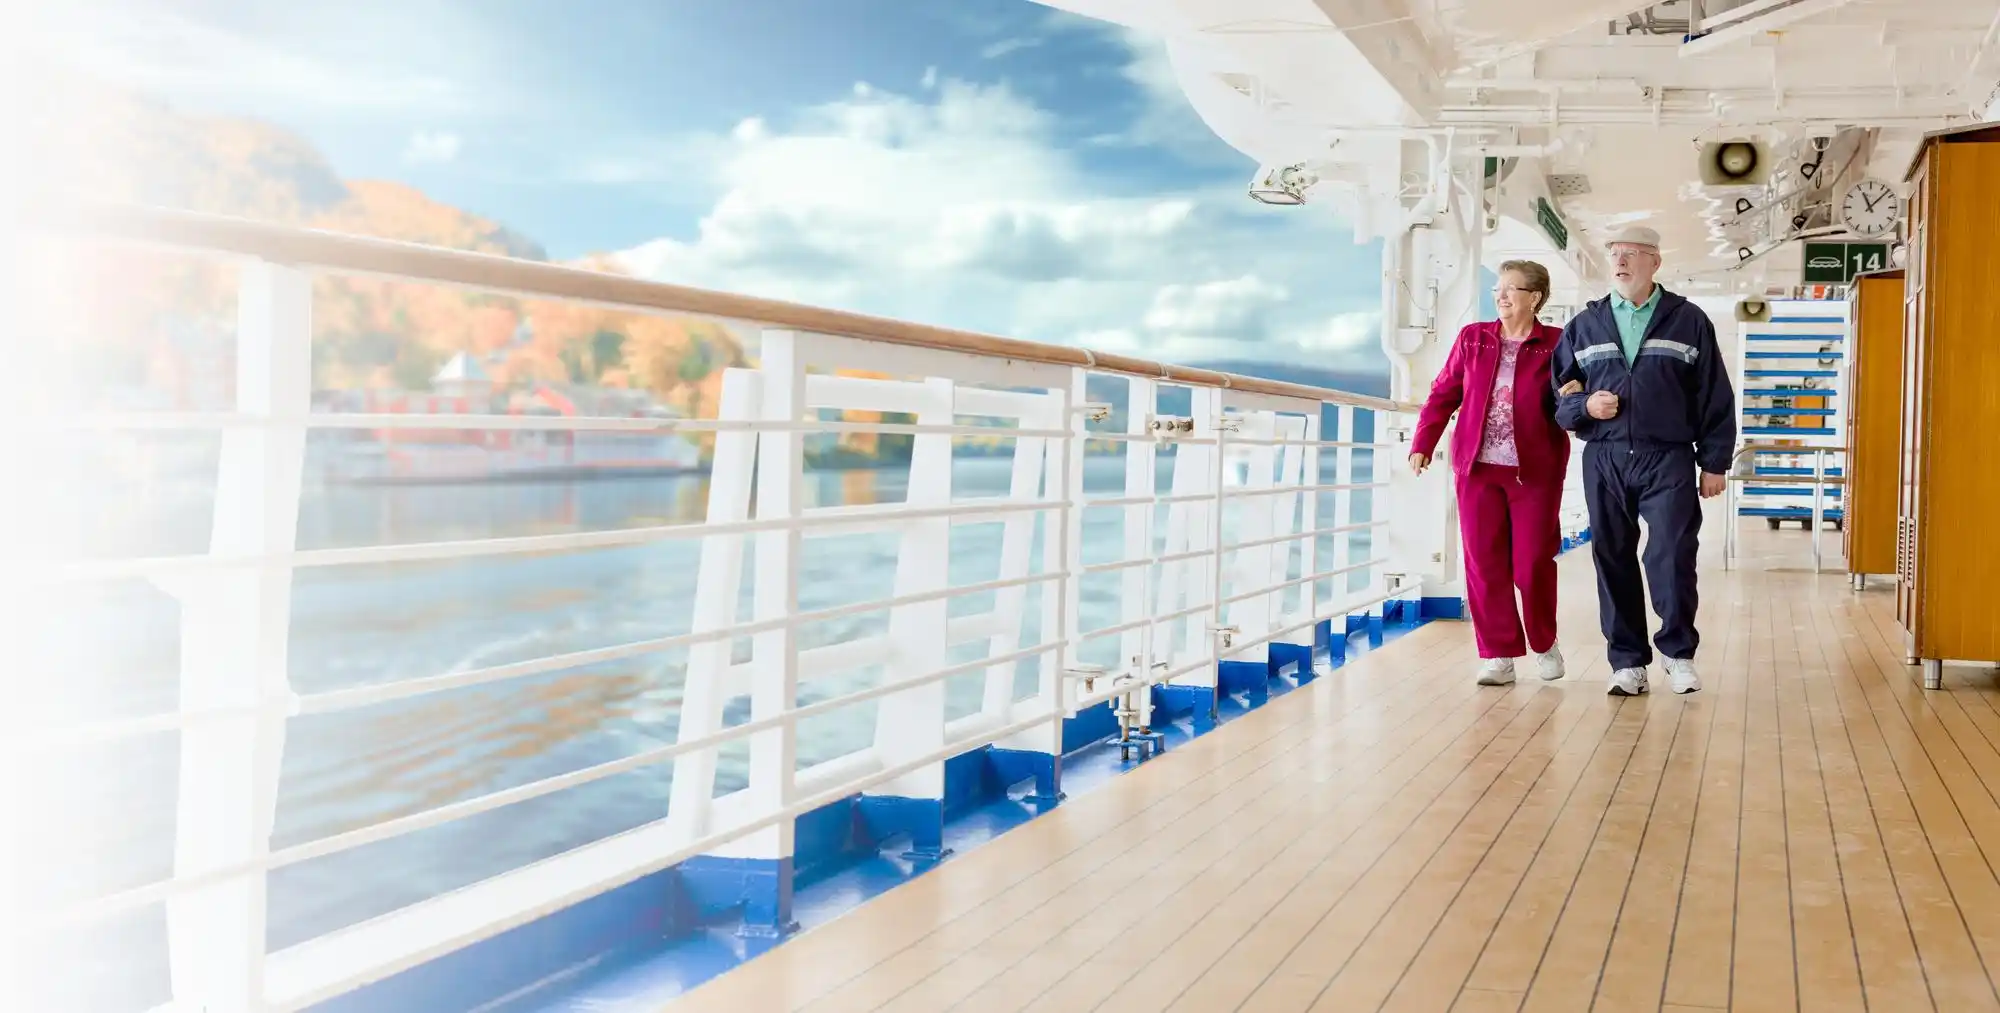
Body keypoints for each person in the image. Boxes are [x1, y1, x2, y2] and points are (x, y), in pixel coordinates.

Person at [1550, 226, 1735, 696]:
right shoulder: (1583, 325)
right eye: (1614, 254)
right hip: (1605, 456)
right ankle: (1628, 662)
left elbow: (1714, 394)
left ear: (1656, 262)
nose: (1621, 261)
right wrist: (1584, 408)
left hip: (1668, 456)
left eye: (1632, 254)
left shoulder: (1688, 320)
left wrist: (1714, 462)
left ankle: (1678, 654)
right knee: (1611, 556)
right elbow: (1559, 394)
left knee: (1672, 552)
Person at [1410, 260, 1571, 687]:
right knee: (1483, 563)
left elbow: (1572, 398)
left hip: (1534, 472)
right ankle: (1499, 653)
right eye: (1498, 289)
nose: (1500, 296)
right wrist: (1423, 442)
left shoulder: (1557, 343)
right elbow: (1444, 391)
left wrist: (1580, 397)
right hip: (1477, 470)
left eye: (1511, 290)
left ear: (1534, 297)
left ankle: (1543, 641)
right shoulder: (1473, 338)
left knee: (1532, 563)